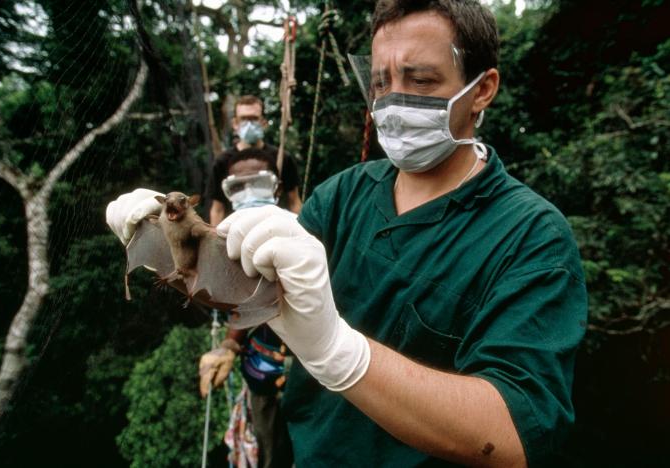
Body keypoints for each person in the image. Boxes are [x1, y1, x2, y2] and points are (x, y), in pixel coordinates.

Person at [106, 1, 588, 466]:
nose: (392, 101)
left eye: (421, 79)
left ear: (482, 90)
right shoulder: (344, 194)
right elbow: (253, 287)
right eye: (380, 82)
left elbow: (514, 434)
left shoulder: (530, 236)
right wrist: (174, 243)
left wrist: (340, 354)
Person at [199, 147, 294, 468]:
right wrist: (229, 345)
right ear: (228, 193)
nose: (249, 192)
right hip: (261, 368)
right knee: (269, 447)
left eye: (259, 183)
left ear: (276, 189)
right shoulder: (229, 243)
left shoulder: (299, 231)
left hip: (309, 369)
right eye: (238, 186)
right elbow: (247, 300)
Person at [208, 95, 302, 226]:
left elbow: (294, 202)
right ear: (235, 123)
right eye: (243, 119)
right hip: (236, 228)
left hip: (275, 226)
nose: (249, 124)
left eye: (254, 119)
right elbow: (218, 209)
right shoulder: (222, 162)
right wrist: (215, 235)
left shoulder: (282, 158)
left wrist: (301, 230)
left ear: (263, 122)